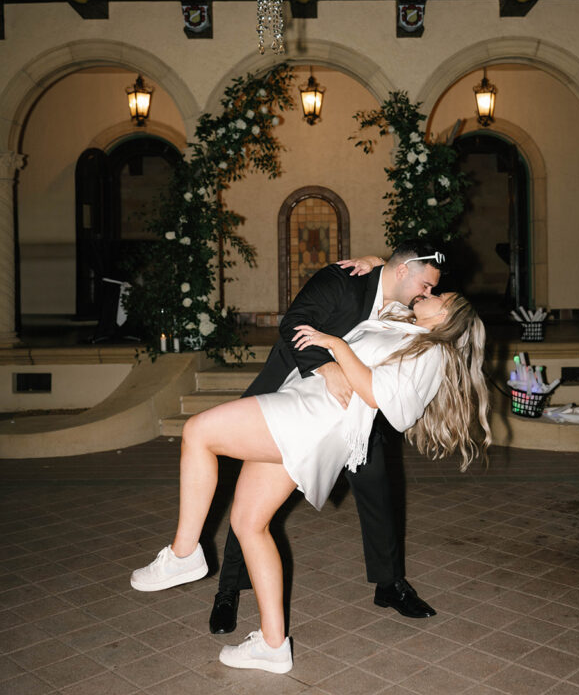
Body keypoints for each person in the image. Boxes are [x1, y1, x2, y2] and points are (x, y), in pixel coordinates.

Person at [130, 289, 490, 675]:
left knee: (199, 431)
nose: (429, 293)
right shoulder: (403, 326)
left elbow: (382, 400)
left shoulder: (432, 353)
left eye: (441, 295)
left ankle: (184, 554)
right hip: (307, 406)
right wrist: (373, 261)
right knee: (249, 525)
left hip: (314, 416)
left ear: (449, 315)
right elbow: (392, 281)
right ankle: (272, 645)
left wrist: (335, 345)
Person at [205, 239, 444, 635]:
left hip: (355, 418)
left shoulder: (408, 305)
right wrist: (326, 368)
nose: (428, 293)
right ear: (403, 273)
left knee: (379, 492)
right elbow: (294, 321)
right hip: (290, 394)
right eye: (426, 285)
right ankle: (228, 590)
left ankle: (389, 584)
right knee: (252, 498)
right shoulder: (344, 280)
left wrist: (380, 260)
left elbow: (438, 314)